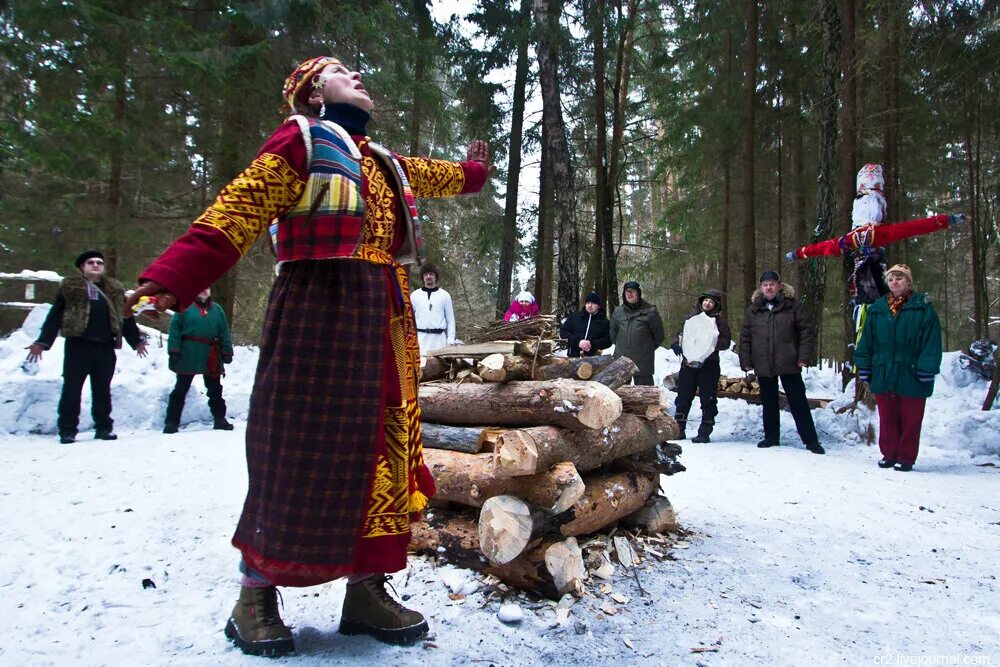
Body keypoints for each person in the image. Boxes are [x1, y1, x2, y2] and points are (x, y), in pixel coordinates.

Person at [126, 56, 490, 655]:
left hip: (383, 315)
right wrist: (173, 277)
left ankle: (366, 588)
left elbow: (442, 176)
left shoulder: (384, 161)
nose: (360, 75)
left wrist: (475, 170)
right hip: (318, 309)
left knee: (382, 447)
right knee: (299, 445)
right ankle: (255, 595)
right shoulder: (301, 140)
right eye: (343, 71)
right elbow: (237, 210)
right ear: (314, 90)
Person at [25, 250, 148, 443]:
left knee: (102, 389)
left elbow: (125, 316)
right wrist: (43, 341)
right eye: (90, 262)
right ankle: (67, 430)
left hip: (105, 347)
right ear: (82, 267)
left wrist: (137, 341)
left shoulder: (115, 289)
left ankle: (104, 428)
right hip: (78, 346)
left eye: (99, 262)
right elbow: (56, 315)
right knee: (72, 389)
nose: (96, 265)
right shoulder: (71, 288)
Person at [853, 264, 942, 472]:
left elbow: (932, 342)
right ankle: (889, 453)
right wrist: (864, 365)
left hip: (911, 371)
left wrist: (927, 368)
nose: (895, 282)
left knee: (911, 417)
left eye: (899, 278)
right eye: (891, 279)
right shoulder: (878, 309)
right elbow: (866, 341)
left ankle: (906, 457)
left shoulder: (923, 308)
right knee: (888, 415)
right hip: (883, 370)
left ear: (908, 282)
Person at [738, 271, 824, 454]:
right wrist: (746, 360)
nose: (768, 288)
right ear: (761, 288)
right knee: (768, 401)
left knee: (798, 401)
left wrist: (803, 357)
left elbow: (806, 333)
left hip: (789, 362)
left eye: (772, 284)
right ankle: (771, 437)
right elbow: (745, 337)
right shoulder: (754, 310)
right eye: (765, 285)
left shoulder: (793, 307)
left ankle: (811, 441)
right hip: (763, 362)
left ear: (779, 286)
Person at [163, 287, 235, 434]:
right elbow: (175, 330)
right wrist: (174, 351)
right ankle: (171, 422)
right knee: (181, 389)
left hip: (210, 353)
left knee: (215, 389)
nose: (203, 290)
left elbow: (224, 331)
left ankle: (220, 419)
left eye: (207, 287)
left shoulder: (217, 310)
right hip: (188, 352)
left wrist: (227, 351)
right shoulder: (184, 307)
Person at [670, 289, 732, 443]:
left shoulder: (720, 322)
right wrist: (676, 345)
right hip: (688, 364)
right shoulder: (691, 318)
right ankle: (679, 429)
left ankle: (705, 431)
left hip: (709, 365)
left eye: (711, 302)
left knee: (708, 398)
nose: (707, 303)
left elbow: (725, 342)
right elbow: (679, 334)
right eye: (705, 300)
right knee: (683, 397)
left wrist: (710, 342)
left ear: (715, 305)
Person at [610, 281, 665, 386]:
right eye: (627, 292)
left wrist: (646, 348)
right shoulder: (618, 312)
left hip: (643, 360)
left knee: (646, 395)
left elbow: (659, 336)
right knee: (620, 393)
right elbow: (613, 335)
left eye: (632, 291)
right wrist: (623, 347)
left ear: (638, 293)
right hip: (622, 359)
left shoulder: (650, 311)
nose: (629, 294)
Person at [410, 263, 455, 354]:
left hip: (439, 341)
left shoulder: (444, 295)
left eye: (431, 274)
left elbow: (450, 320)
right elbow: (410, 320)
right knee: (421, 366)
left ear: (436, 277)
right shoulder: (414, 295)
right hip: (421, 340)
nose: (428, 276)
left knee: (440, 366)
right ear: (423, 277)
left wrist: (450, 341)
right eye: (426, 274)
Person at [560, 292, 612, 358]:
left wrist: (592, 344)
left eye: (593, 303)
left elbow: (608, 340)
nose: (590, 305)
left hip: (594, 359)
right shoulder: (574, 317)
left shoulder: (604, 322)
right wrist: (578, 342)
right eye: (588, 303)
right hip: (573, 357)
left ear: (599, 306)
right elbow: (563, 332)